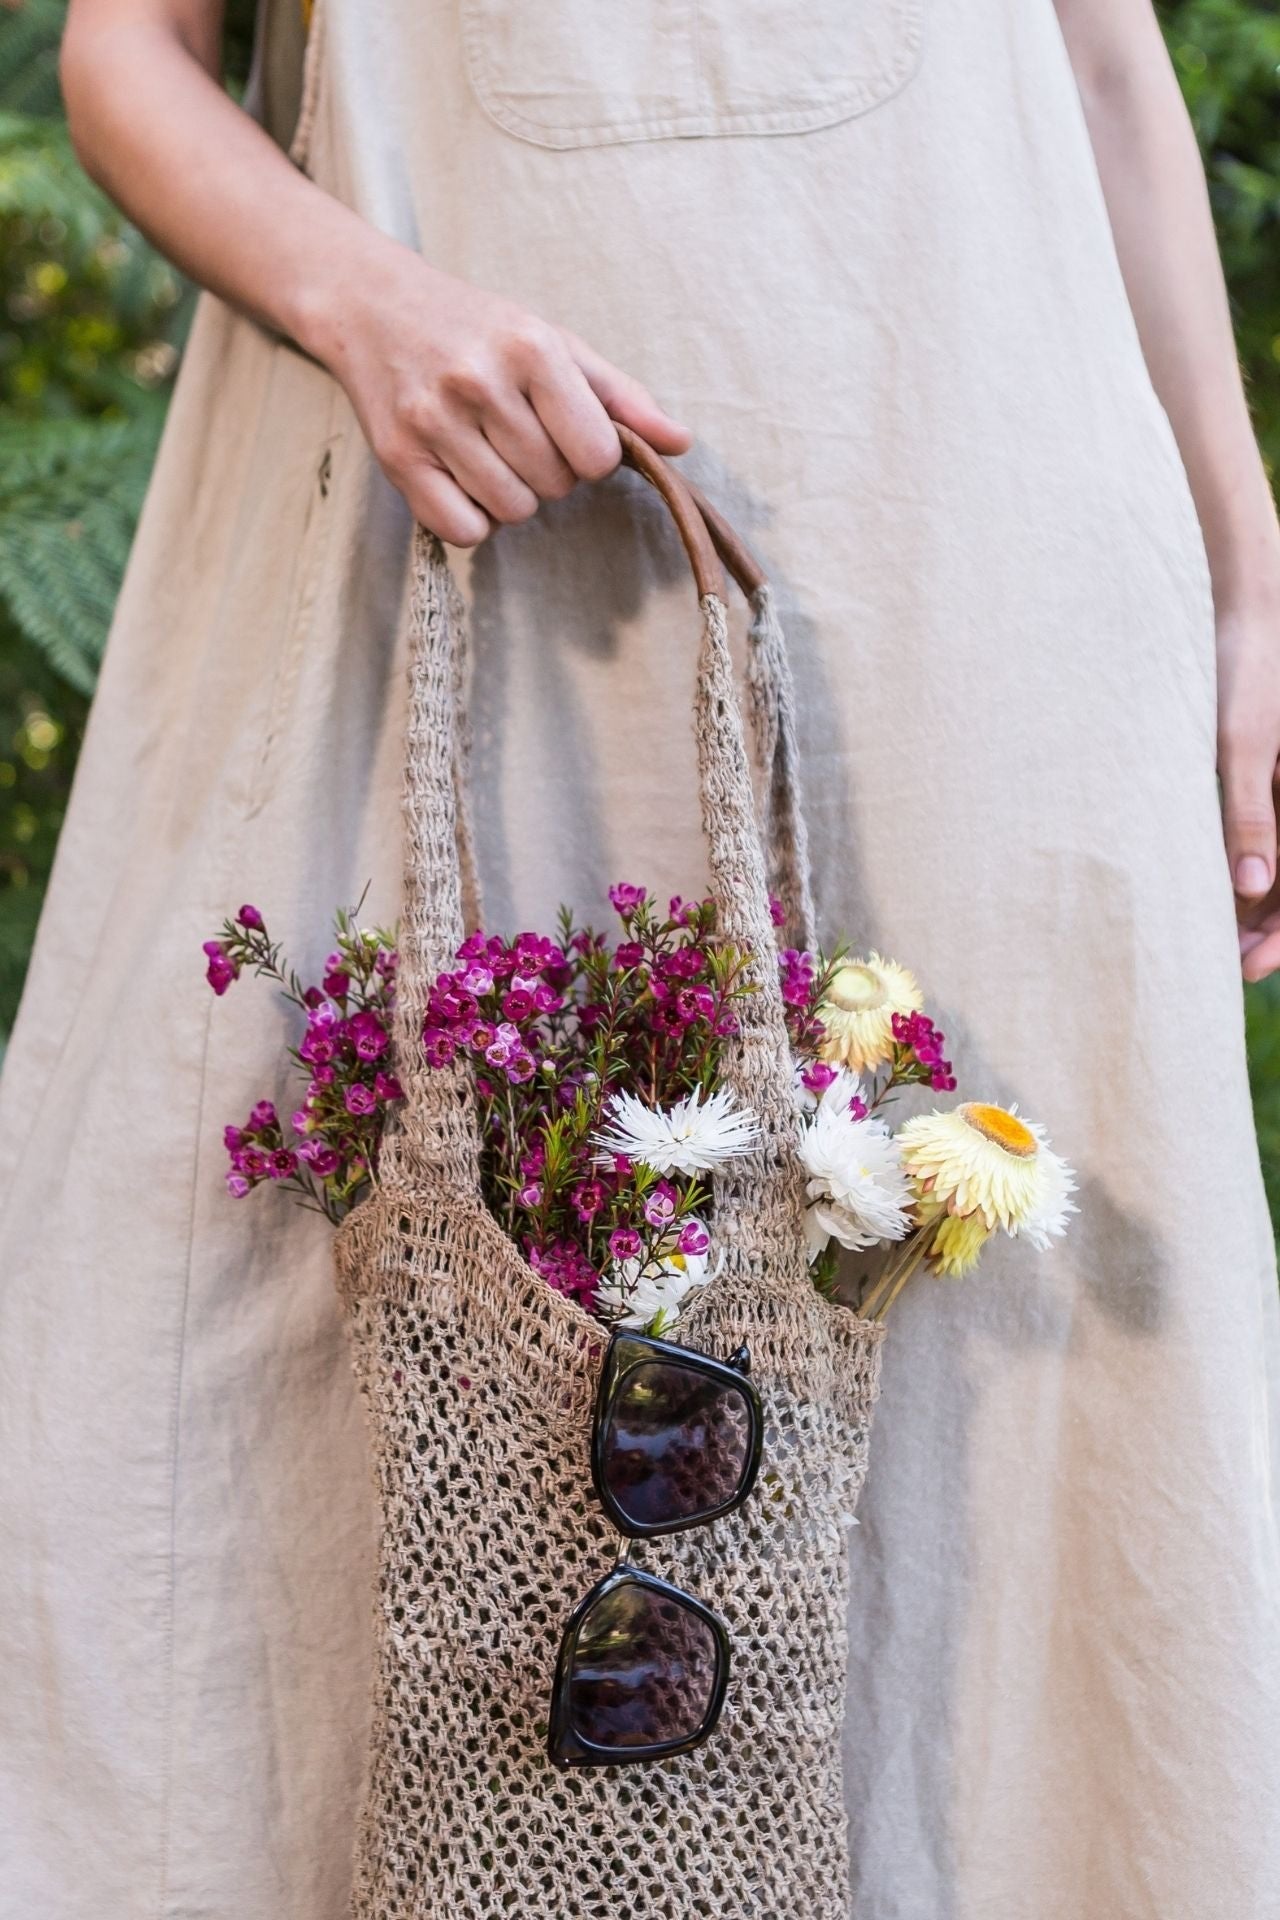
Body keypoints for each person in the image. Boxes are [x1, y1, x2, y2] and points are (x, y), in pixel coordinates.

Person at [2, 0, 1277, 1913]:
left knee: (1026, 1486)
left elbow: (1099, 66)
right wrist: (367, 302)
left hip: (979, 575)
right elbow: (127, 56)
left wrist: (1250, 569)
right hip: (420, 577)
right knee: (269, 1421)